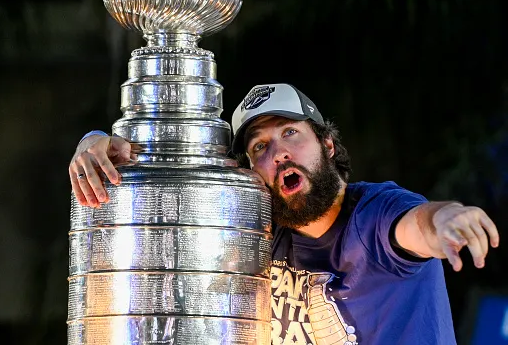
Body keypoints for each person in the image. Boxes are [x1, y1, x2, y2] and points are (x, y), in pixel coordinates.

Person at [68, 83, 500, 345]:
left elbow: (415, 225)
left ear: (327, 146)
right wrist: (96, 142)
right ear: (251, 174)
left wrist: (446, 219)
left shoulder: (372, 214)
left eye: (291, 133)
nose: (280, 153)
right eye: (261, 147)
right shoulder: (258, 236)